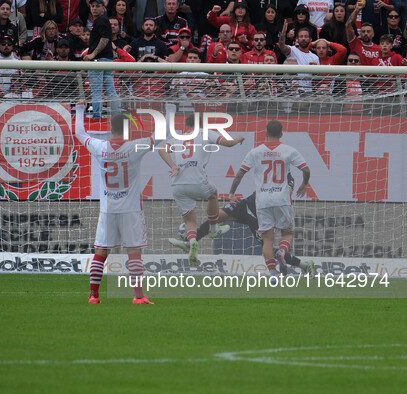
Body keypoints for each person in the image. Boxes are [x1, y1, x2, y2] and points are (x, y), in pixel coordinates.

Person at [75, 101, 155, 305]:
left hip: (108, 209)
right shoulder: (136, 146)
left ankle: (94, 295)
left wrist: (80, 110)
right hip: (131, 210)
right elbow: (162, 138)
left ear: (110, 130)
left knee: (101, 251)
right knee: (134, 251)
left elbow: (80, 135)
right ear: (128, 131)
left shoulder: (100, 147)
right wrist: (169, 111)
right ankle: (138, 297)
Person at [168, 176, 316, 276]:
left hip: (252, 206)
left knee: (266, 245)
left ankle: (301, 265)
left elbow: (242, 173)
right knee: (217, 217)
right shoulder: (287, 177)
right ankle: (191, 241)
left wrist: (232, 192)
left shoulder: (271, 168)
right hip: (254, 208)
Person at [159, 111, 243, 265]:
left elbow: (161, 149)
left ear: (187, 125)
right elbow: (228, 143)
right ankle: (213, 229)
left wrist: (173, 166)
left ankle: (192, 242)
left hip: (177, 185)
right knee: (213, 194)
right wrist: (238, 139)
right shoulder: (206, 133)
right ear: (201, 124)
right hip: (197, 180)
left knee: (190, 220)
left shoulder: (178, 137)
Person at [229, 120, 310, 278]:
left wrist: (232, 192)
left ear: (265, 133)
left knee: (267, 240)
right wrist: (304, 183)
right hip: (282, 198)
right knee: (287, 233)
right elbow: (306, 169)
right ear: (281, 134)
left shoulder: (255, 152)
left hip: (263, 201)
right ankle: (282, 251)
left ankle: (273, 274)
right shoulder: (289, 150)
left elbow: (240, 174)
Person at [83, 0, 120, 120]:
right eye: (92, 6)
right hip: (107, 59)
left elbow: (105, 38)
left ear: (103, 8)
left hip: (99, 60)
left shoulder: (100, 20)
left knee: (96, 91)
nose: (94, 8)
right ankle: (116, 116)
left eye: (97, 6)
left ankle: (96, 117)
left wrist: (93, 54)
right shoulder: (102, 21)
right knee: (111, 91)